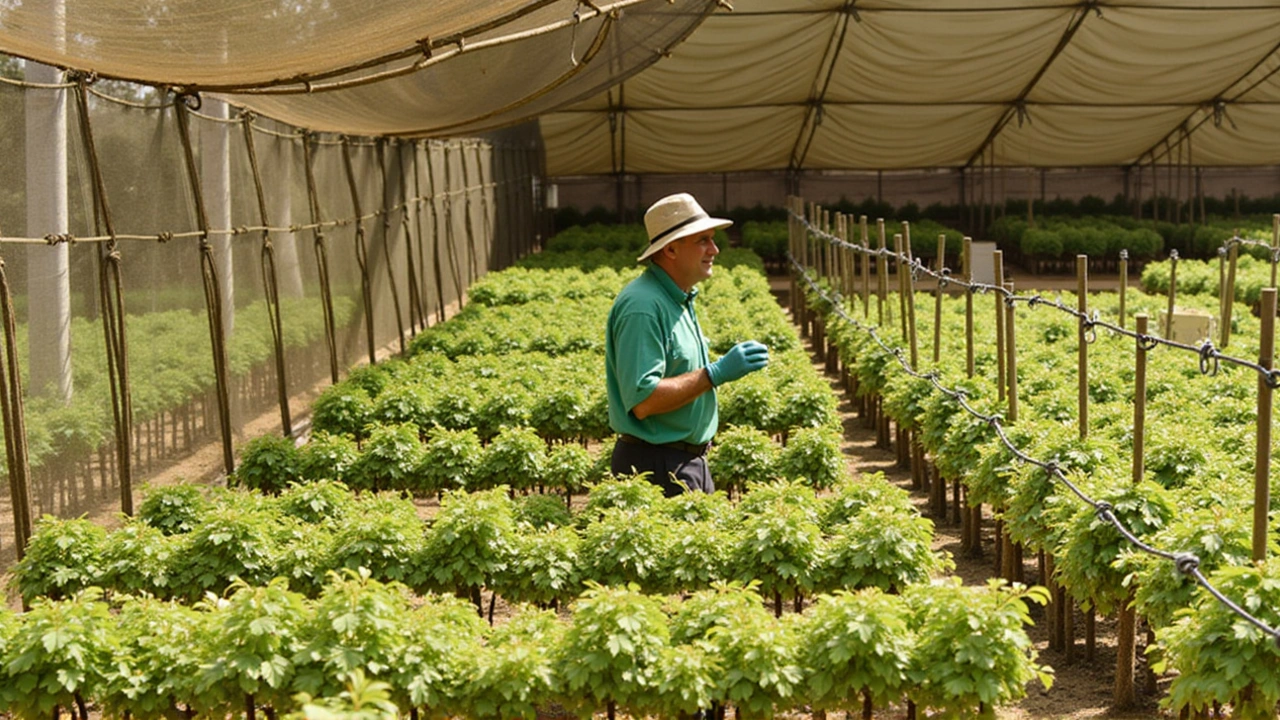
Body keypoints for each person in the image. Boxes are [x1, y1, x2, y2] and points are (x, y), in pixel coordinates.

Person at [605, 192, 769, 496]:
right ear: (670, 249)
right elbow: (644, 401)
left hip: (684, 462)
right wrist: (714, 374)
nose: (715, 249)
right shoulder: (643, 306)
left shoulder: (676, 298)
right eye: (703, 240)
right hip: (656, 467)